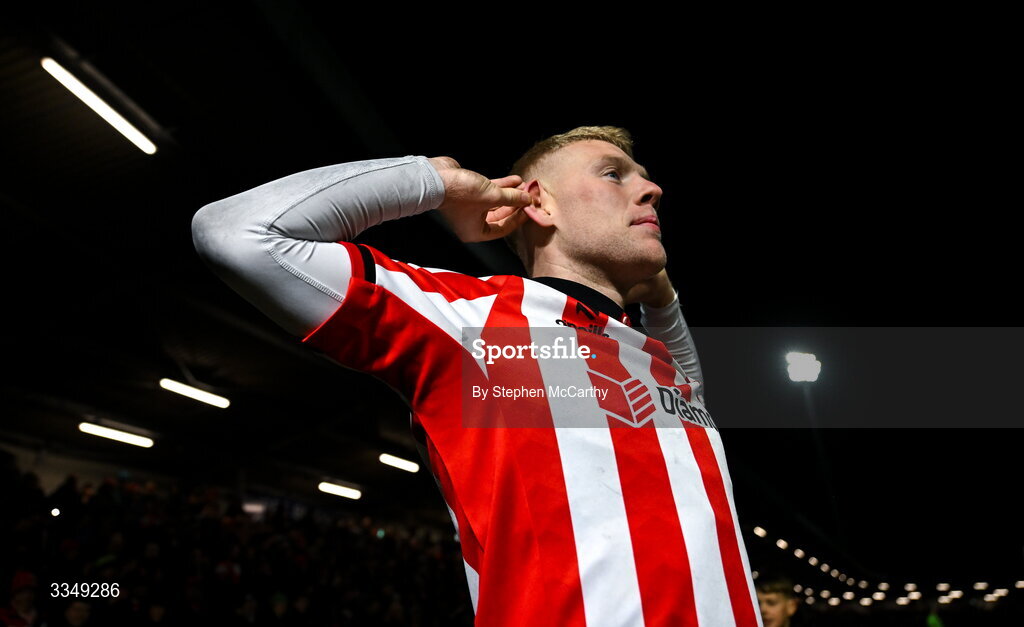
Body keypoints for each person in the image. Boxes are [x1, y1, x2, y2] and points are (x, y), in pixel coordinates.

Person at [192, 126, 761, 626]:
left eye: (644, 176)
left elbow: (689, 382)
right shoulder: (468, 320)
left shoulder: (657, 364)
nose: (651, 188)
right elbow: (235, 232)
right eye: (614, 173)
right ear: (537, 202)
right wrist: (437, 181)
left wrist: (662, 297)